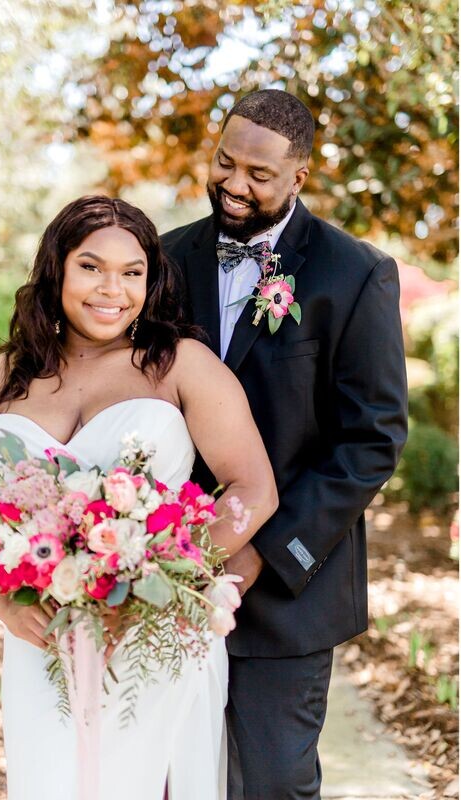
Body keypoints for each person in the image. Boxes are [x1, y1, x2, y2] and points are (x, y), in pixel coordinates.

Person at [0, 195, 278, 800]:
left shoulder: (181, 365)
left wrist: (161, 582)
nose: (112, 290)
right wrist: (4, 606)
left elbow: (253, 490)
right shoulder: (1, 375)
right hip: (39, 637)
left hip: (152, 633)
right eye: (91, 267)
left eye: (132, 272)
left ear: (151, 280)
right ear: (56, 270)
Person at [161, 89, 408, 800]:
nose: (234, 184)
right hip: (163, 580)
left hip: (289, 591)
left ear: (299, 177)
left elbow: (371, 439)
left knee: (274, 783)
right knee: (170, 779)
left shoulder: (353, 274)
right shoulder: (163, 259)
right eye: (225, 162)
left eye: (259, 174)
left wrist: (262, 552)